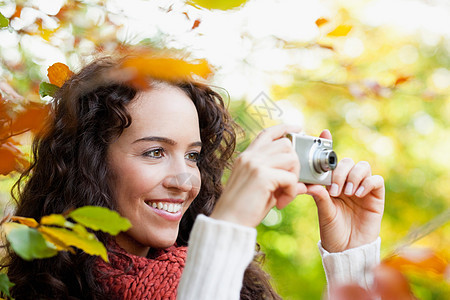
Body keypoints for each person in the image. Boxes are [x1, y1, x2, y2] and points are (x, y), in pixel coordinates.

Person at [1, 55, 384, 300]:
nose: (184, 179)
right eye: (155, 152)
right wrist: (227, 226)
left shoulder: (236, 284)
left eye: (193, 156)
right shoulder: (50, 292)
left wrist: (352, 260)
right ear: (90, 163)